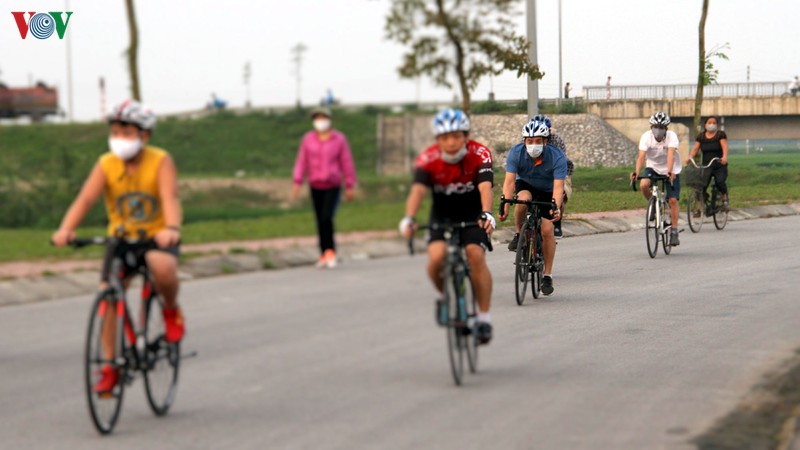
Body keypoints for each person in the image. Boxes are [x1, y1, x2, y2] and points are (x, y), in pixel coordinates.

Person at [51, 100, 185, 393]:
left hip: (155, 236)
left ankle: (171, 310)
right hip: (120, 239)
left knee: (162, 266)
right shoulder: (106, 164)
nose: (119, 139)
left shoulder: (160, 161)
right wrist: (66, 229)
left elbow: (170, 197)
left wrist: (171, 229)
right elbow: (85, 199)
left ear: (144, 135)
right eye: (115, 132)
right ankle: (110, 366)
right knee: (108, 295)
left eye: (126, 132)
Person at [399, 108, 496, 344]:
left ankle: (483, 318)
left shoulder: (480, 153)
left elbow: (485, 187)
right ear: (437, 140)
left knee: (475, 255)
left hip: (473, 213)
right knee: (435, 260)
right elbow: (418, 191)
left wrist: (487, 213)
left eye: (456, 136)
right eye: (444, 138)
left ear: (465, 135)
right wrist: (409, 218)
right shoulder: (428, 159)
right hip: (441, 215)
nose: (450, 143)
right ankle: (447, 297)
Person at [500, 118, 566, 296]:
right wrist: (505, 203)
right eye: (530, 141)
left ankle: (547, 275)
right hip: (526, 185)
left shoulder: (557, 156)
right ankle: (518, 233)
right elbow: (509, 183)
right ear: (524, 141)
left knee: (546, 230)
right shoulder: (516, 153)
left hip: (548, 190)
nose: (533, 145)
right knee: (522, 200)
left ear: (546, 142)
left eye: (538, 141)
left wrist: (556, 208)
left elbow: (559, 188)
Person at [292, 107, 357, 269]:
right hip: (315, 184)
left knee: (327, 217)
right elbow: (302, 161)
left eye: (323, 118)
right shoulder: (308, 139)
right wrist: (297, 181)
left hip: (333, 184)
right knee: (319, 219)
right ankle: (323, 253)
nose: (320, 121)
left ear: (330, 119)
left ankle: (330, 251)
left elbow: (346, 162)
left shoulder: (339, 139)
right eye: (317, 118)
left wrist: (350, 184)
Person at [630, 112, 682, 246]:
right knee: (643, 185)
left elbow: (671, 155)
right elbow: (641, 157)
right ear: (651, 126)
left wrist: (669, 171)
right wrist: (636, 172)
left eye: (661, 127)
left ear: (666, 128)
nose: (658, 129)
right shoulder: (646, 137)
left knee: (673, 200)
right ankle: (654, 203)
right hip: (653, 167)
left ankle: (674, 231)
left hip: (671, 169)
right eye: (655, 126)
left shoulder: (672, 137)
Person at [530, 114, 573, 238]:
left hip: (559, 172)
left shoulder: (556, 141)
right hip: (536, 173)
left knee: (561, 193)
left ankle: (557, 222)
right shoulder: (528, 139)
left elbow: (560, 162)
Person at [685, 116, 729, 207]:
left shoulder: (720, 135)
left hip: (719, 165)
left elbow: (724, 147)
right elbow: (695, 149)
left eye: (714, 123)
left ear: (717, 125)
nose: (711, 125)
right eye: (709, 122)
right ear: (705, 125)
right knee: (700, 185)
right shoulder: (701, 137)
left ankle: (724, 195)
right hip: (706, 165)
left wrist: (724, 157)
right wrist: (690, 157)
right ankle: (703, 203)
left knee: (720, 182)